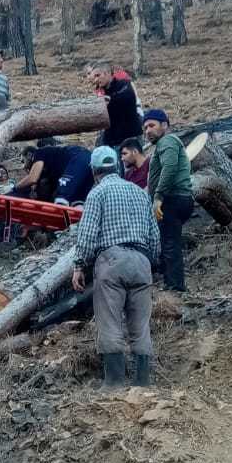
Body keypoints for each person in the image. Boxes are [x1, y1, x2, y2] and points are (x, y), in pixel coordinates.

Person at [72, 146, 161, 389]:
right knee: (140, 324)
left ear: (94, 171)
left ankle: (114, 382)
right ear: (117, 168)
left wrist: (79, 265)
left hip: (111, 260)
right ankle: (142, 382)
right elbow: (155, 237)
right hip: (142, 261)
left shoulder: (98, 193)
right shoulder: (140, 193)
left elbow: (88, 234)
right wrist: (150, 262)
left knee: (110, 321)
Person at [143, 109, 195, 293]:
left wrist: (158, 197)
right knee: (168, 242)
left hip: (172, 199)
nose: (147, 130)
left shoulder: (168, 141)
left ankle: (175, 287)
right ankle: (173, 284)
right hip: (174, 198)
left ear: (164, 125)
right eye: (145, 127)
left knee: (170, 244)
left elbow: (170, 168)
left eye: (152, 125)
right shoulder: (165, 144)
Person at [16, 142, 94, 205]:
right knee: (78, 201)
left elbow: (33, 178)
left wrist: (15, 187)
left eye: (23, 161)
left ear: (29, 155)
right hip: (89, 162)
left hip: (77, 157)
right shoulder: (52, 165)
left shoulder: (39, 153)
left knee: (62, 198)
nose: (23, 166)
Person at [89, 62, 142, 152]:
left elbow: (126, 97)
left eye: (98, 75)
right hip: (112, 141)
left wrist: (109, 101)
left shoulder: (124, 84)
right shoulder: (103, 93)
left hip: (130, 139)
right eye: (94, 77)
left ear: (108, 73)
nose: (95, 80)